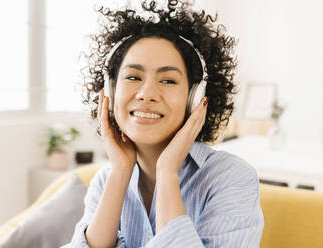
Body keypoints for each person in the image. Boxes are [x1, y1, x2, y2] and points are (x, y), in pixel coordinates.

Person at [62, 0, 264, 247]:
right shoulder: (105, 179)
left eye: (168, 81)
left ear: (195, 98)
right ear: (111, 92)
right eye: (133, 77)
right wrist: (120, 173)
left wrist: (167, 172)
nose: (147, 94)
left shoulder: (230, 178)